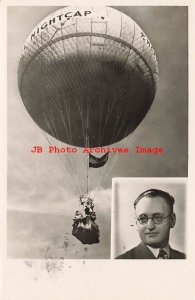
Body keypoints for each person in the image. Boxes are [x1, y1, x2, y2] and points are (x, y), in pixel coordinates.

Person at [116, 189, 185, 259]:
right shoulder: (121, 261)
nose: (150, 226)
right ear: (136, 223)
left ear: (172, 220)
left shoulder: (186, 259)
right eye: (142, 219)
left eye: (158, 218)